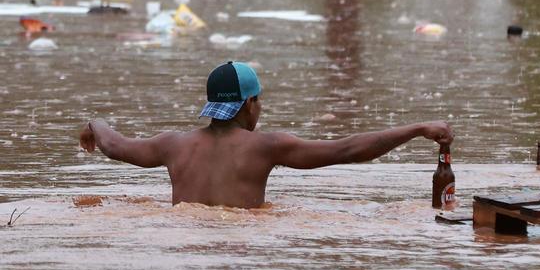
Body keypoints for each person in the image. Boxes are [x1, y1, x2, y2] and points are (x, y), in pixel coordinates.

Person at [78, 61, 453, 209]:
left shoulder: (173, 145)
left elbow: (114, 146)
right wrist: (417, 128)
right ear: (249, 104)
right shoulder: (266, 147)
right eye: (259, 102)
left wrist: (94, 124)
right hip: (244, 246)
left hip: (185, 244)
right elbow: (349, 150)